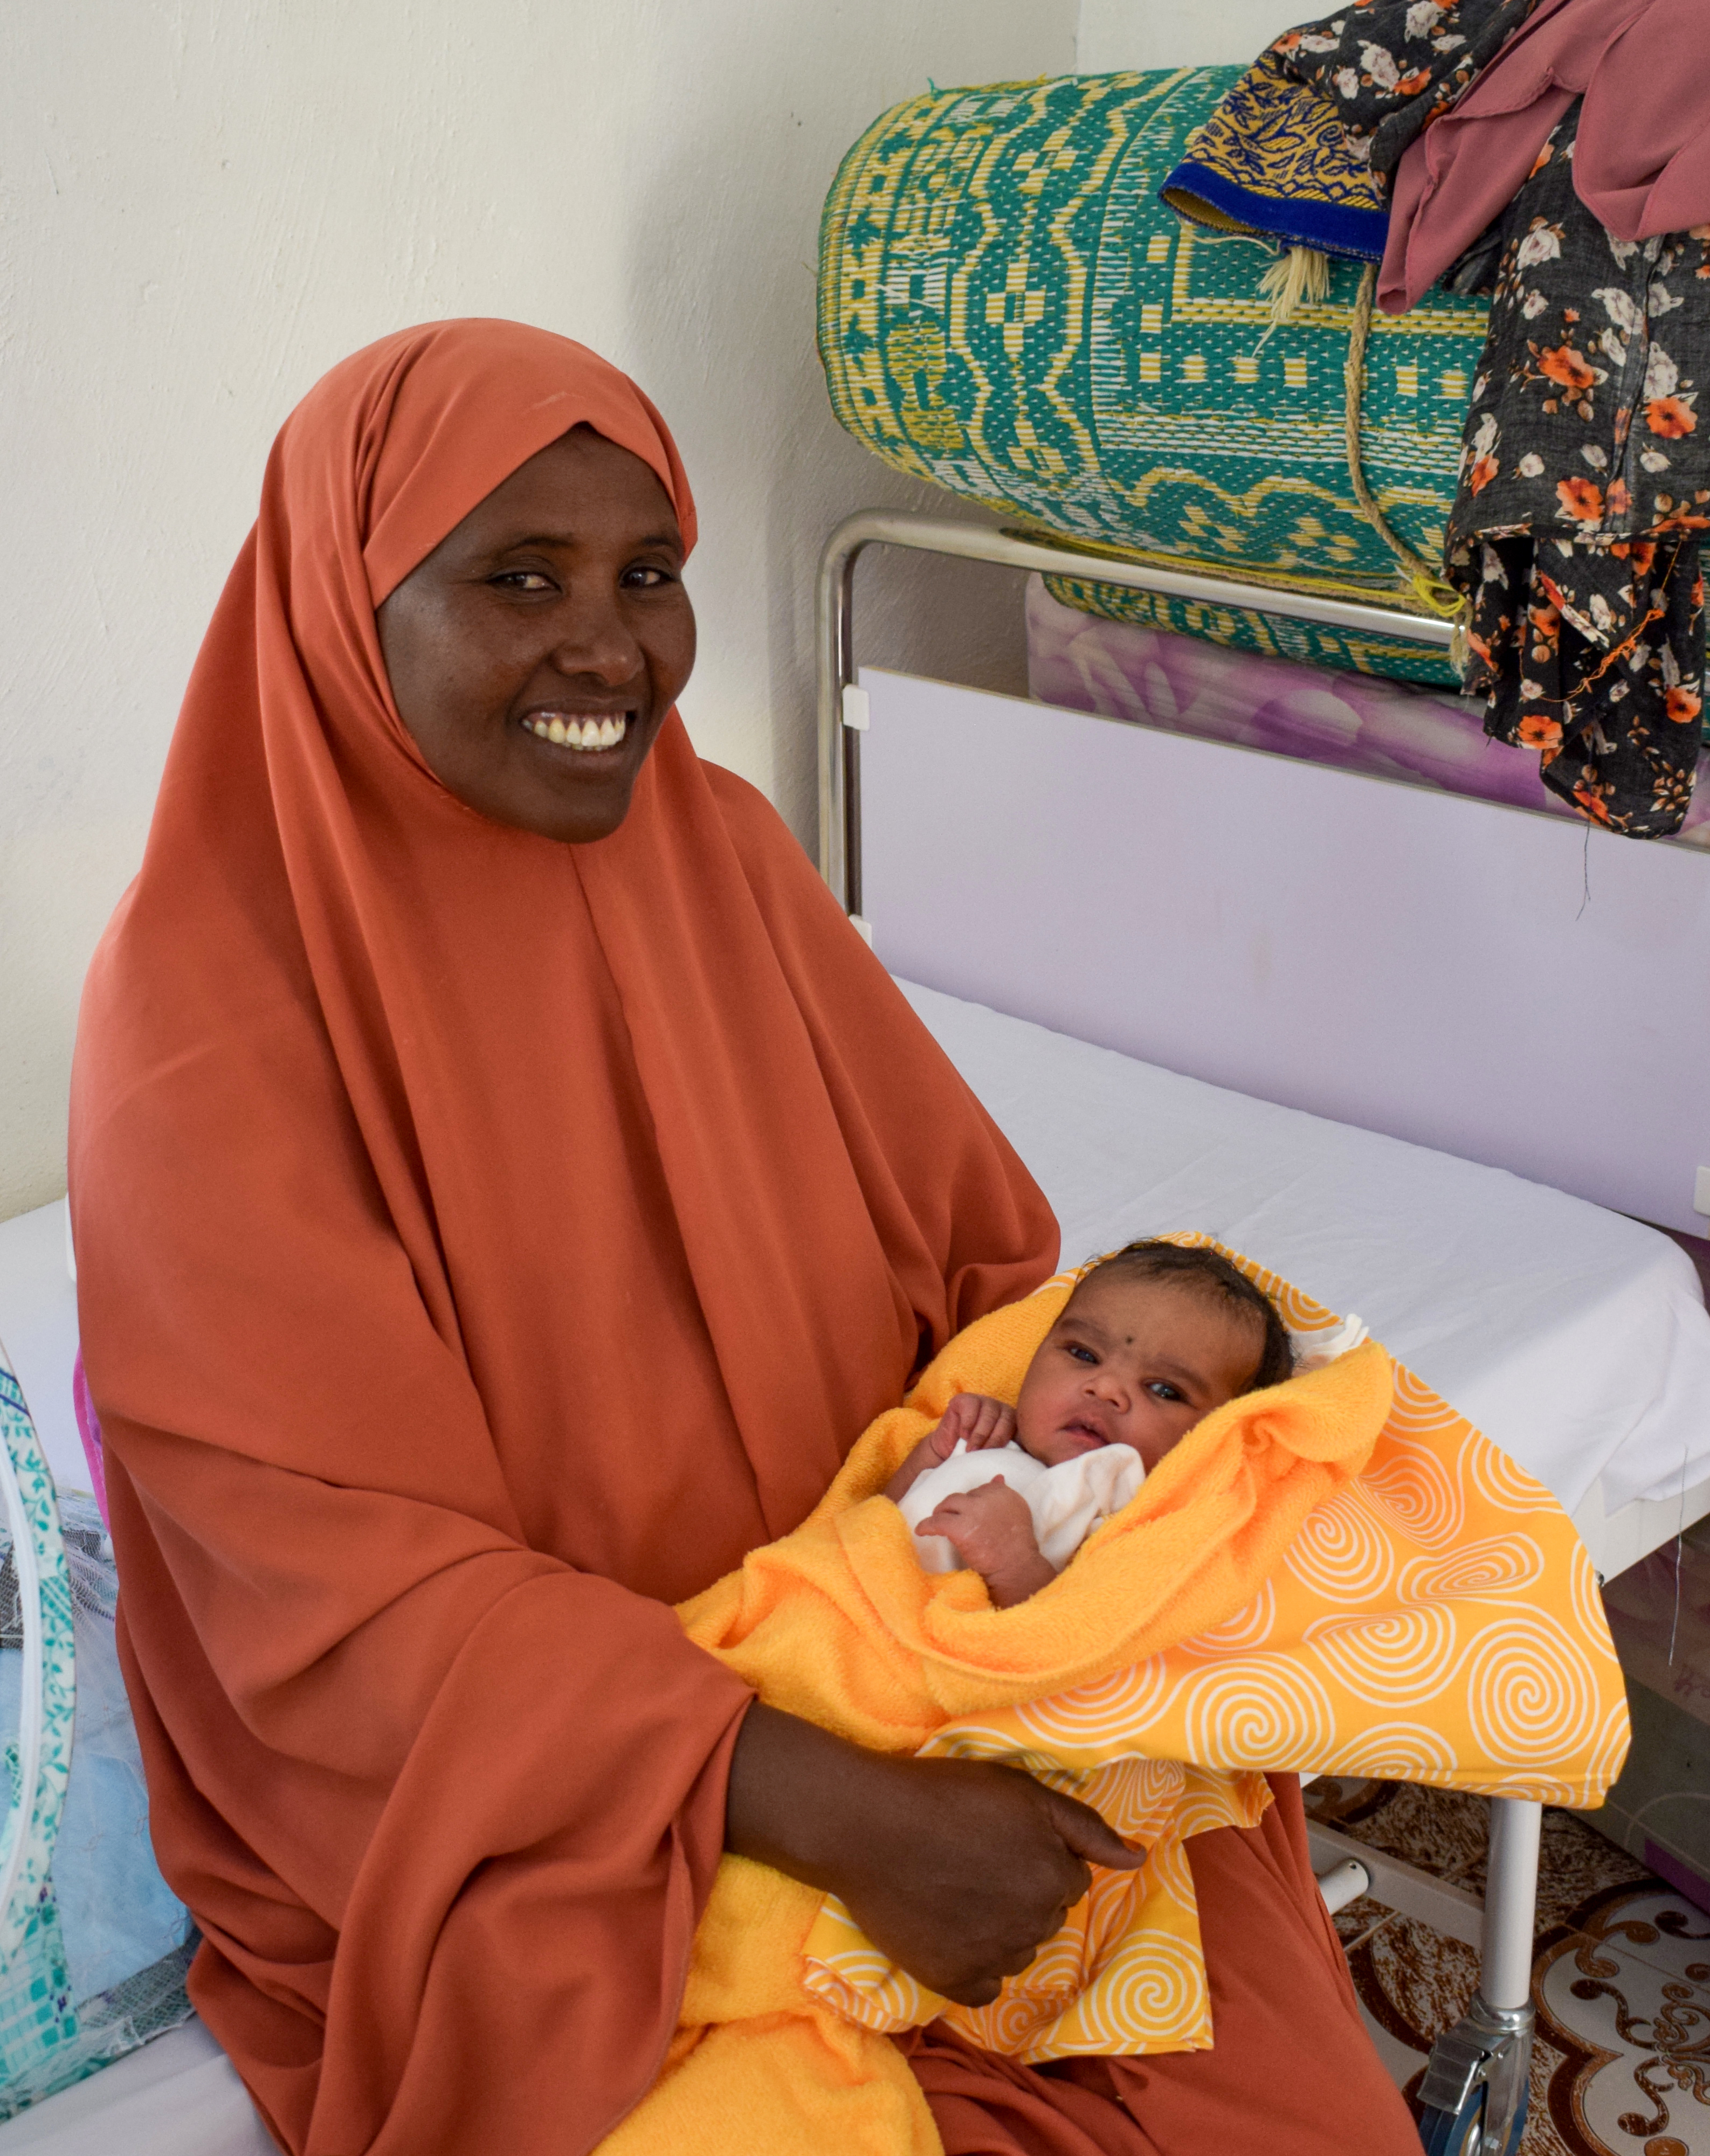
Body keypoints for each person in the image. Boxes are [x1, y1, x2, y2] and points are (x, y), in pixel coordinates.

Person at [68, 318, 1418, 2156]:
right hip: (555, 1788)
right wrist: (829, 1808)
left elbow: (972, 1270)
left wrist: (1087, 1544)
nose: (610, 647)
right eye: (515, 579)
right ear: (341, 606)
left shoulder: (722, 851)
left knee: (1264, 2082)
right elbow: (339, 1601)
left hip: (917, 1633)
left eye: (650, 575)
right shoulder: (207, 1011)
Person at [892, 1241, 1297, 1606]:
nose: (1105, 1389)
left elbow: (1069, 1641)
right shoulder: (990, 1438)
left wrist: (1015, 1567)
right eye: (1084, 1355)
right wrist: (934, 1452)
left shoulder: (1127, 1519)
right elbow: (874, 1519)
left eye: (1164, 1390)